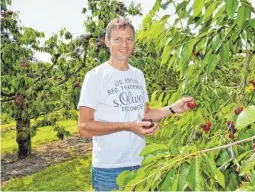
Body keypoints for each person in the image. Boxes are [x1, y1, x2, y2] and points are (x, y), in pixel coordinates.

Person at [77, 17, 195, 191]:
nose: (124, 44)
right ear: (107, 41)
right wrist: (128, 126)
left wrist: (172, 108)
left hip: (141, 163)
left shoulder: (138, 75)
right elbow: (84, 127)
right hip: (109, 169)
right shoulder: (95, 76)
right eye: (117, 39)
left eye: (128, 39)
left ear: (134, 42)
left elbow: (145, 113)